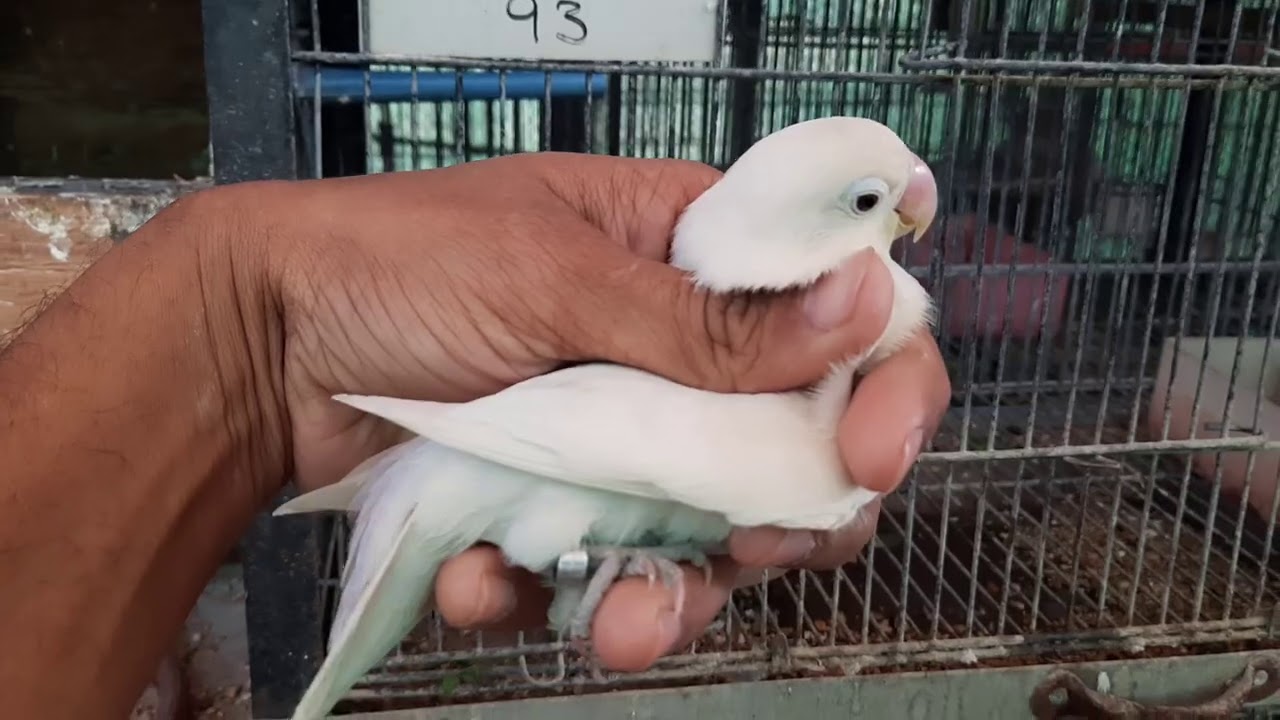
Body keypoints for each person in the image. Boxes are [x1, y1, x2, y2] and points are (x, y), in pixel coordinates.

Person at [0, 152, 950, 718]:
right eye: (871, 201)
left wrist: (262, 346)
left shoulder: (819, 361)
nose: (909, 210)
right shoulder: (812, 410)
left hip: (485, 463)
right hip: (482, 466)